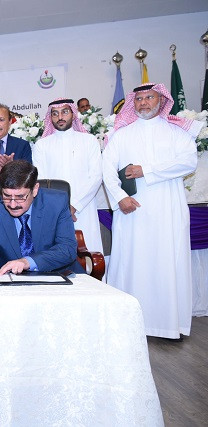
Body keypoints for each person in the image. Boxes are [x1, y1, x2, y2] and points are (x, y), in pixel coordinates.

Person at [102, 83, 201, 339]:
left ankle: (166, 324)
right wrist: (120, 197)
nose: (144, 103)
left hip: (167, 210)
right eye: (139, 99)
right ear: (132, 103)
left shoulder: (176, 133)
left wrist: (147, 170)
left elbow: (188, 161)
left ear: (161, 101)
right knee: (133, 262)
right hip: (132, 213)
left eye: (149, 97)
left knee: (166, 260)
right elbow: (107, 170)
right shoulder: (121, 135)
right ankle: (131, 323)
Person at [0, 160, 82, 275]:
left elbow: (67, 249)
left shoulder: (57, 203)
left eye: (20, 197)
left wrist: (27, 262)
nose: (12, 204)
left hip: (58, 274)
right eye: (6, 196)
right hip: (13, 280)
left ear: (35, 189)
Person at [32, 98, 103, 253]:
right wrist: (61, 207)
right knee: (57, 257)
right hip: (54, 211)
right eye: (55, 114)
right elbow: (41, 181)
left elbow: (96, 176)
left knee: (89, 256)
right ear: (50, 117)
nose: (60, 117)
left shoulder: (89, 141)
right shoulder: (41, 145)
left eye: (65, 112)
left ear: (73, 114)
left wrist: (75, 204)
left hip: (83, 208)